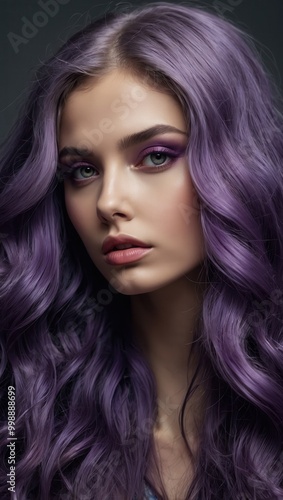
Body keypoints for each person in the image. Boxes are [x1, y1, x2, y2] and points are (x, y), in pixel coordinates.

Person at [0, 2, 283, 499]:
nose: (108, 203)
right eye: (82, 171)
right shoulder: (22, 409)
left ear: (236, 163)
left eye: (155, 156)